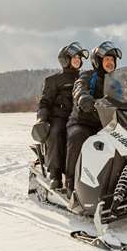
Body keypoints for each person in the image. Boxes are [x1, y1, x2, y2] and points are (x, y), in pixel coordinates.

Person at [65, 41, 122, 194]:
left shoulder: (117, 82)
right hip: (84, 122)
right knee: (78, 137)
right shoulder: (88, 76)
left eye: (112, 60)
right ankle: (71, 182)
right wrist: (83, 97)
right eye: (107, 59)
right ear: (98, 61)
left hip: (108, 125)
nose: (110, 62)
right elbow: (79, 87)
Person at [36, 42, 88, 189]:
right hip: (60, 117)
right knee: (57, 131)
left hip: (80, 118)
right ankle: (55, 174)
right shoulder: (54, 80)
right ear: (65, 60)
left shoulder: (85, 78)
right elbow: (45, 102)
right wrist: (42, 118)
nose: (78, 60)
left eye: (79, 57)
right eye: (74, 57)